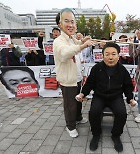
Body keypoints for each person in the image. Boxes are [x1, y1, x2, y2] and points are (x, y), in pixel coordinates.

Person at [76, 42, 135, 152]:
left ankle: (116, 135)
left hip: (116, 97)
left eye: (113, 54)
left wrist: (130, 98)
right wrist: (82, 94)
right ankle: (96, 134)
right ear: (102, 56)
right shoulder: (96, 68)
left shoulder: (122, 70)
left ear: (118, 55)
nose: (110, 57)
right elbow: (89, 83)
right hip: (99, 96)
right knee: (94, 112)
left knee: (122, 113)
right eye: (107, 54)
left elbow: (128, 86)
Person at [53, 8, 93, 138]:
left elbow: (77, 43)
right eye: (66, 21)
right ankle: (70, 126)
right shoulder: (58, 41)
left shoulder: (71, 38)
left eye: (73, 22)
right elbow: (65, 53)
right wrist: (82, 46)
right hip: (67, 80)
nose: (70, 25)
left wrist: (83, 41)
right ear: (60, 25)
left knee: (78, 100)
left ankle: (78, 117)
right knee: (70, 105)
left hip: (77, 77)